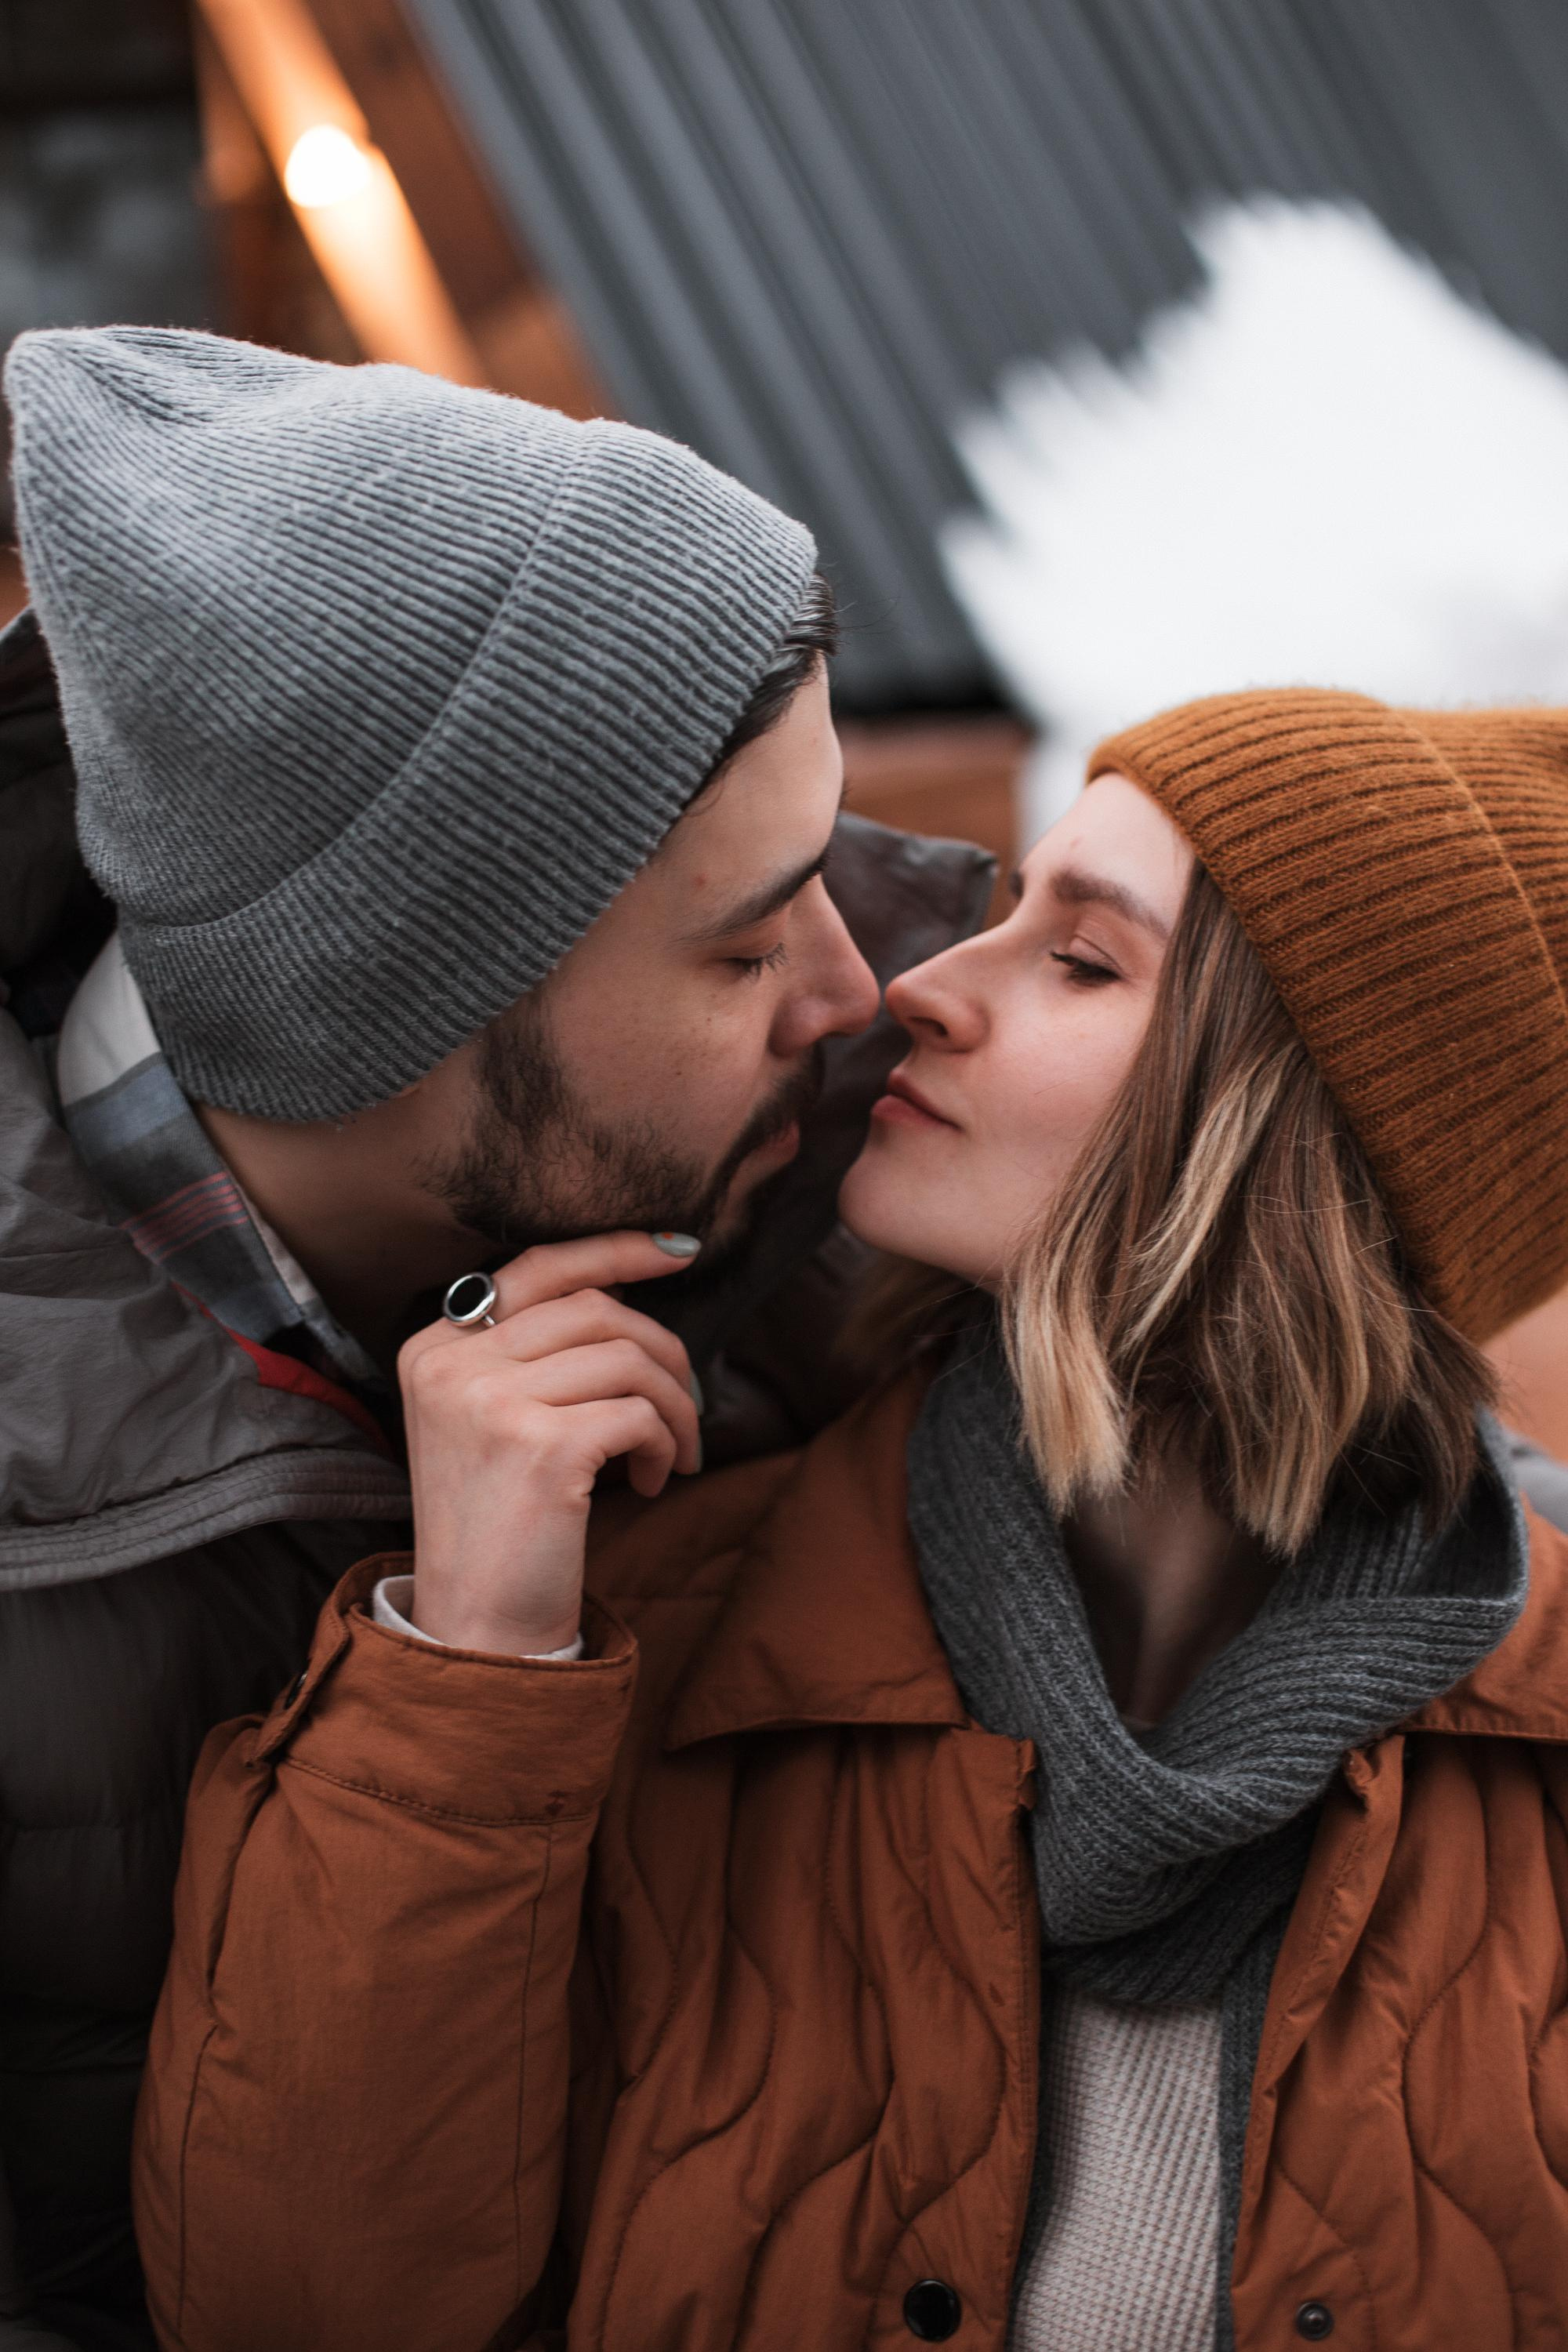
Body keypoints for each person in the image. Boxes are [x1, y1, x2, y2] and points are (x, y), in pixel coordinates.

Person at [136, 686, 1568, 2350]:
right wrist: (468, 1674)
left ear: (1306, 1152)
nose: (918, 987)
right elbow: (292, 2311)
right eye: (1007, 910)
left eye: (1080, 959)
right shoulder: (617, 1654)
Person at [0, 325, 992, 2350]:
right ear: (389, 1011)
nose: (856, 990)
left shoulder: (896, 1149)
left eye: (823, 863)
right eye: (746, 940)